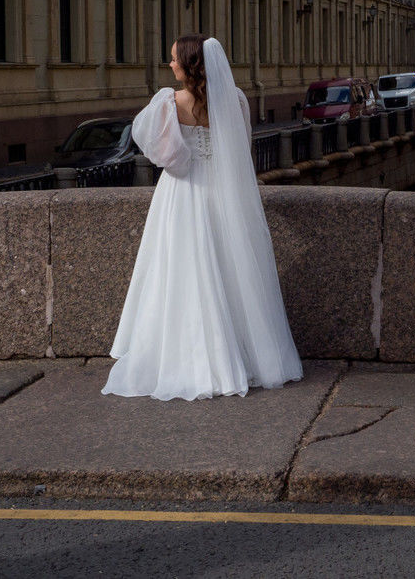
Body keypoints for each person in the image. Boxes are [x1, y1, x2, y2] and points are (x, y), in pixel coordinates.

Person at [102, 34, 304, 401]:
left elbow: (155, 148)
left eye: (175, 58)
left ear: (190, 64)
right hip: (224, 193)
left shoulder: (169, 102)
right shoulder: (236, 100)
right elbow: (242, 151)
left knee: (179, 271)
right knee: (233, 269)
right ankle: (246, 357)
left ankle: (185, 357)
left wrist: (182, 156)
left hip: (183, 193)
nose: (170, 64)